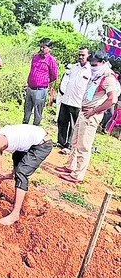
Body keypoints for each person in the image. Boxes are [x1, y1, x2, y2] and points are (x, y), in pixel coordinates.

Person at [56, 51, 120, 183]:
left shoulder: (108, 78)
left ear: (103, 63)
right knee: (75, 141)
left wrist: (94, 110)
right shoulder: (97, 74)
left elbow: (112, 99)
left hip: (91, 115)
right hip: (83, 112)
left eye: (95, 64)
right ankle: (70, 166)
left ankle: (77, 175)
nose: (92, 66)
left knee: (84, 145)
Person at [0, 124, 53, 225]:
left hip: (42, 144)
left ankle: (15, 214)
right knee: (17, 155)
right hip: (37, 138)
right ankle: (11, 175)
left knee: (21, 172)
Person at [57, 47, 91, 154]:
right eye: (79, 55)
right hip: (66, 99)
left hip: (78, 102)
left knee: (74, 126)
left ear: (88, 56)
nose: (80, 57)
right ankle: (61, 142)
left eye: (83, 55)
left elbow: (90, 89)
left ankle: (69, 145)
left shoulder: (91, 71)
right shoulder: (74, 67)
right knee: (62, 121)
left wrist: (87, 102)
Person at [23, 38, 58, 126]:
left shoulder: (51, 60)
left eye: (44, 47)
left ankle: (35, 128)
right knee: (27, 109)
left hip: (40, 89)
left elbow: (54, 76)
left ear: (49, 48)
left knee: (38, 111)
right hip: (30, 87)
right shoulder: (35, 57)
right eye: (40, 47)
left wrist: (43, 81)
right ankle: (24, 125)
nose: (41, 49)